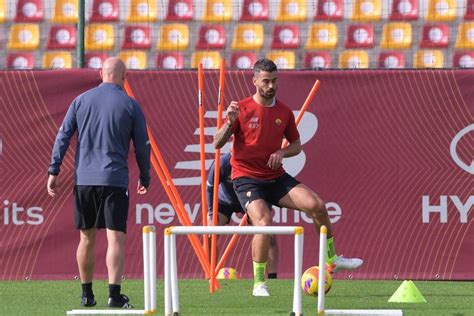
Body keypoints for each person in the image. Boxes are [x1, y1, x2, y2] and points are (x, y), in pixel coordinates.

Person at [213, 58, 363, 297]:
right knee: (263, 222)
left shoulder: (283, 111)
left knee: (318, 206)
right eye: (265, 81)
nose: (271, 86)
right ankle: (259, 283)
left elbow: (296, 145)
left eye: (274, 80)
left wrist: (282, 151)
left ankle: (332, 259)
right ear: (254, 82)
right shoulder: (240, 109)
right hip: (247, 178)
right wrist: (230, 124)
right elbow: (216, 143)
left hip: (276, 177)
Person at [47, 57, 150, 308]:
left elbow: (63, 137)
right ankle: (114, 295)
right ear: (125, 76)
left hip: (84, 180)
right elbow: (142, 147)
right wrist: (145, 176)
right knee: (116, 239)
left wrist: (54, 169)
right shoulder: (130, 105)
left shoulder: (80, 101)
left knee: (86, 238)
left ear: (101, 73)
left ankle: (86, 293)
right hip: (114, 180)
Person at [206, 152, 279, 279]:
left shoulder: (257, 161)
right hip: (226, 201)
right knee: (209, 234)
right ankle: (209, 275)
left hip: (251, 199)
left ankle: (272, 279)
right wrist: (211, 214)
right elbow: (210, 187)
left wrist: (265, 208)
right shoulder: (223, 162)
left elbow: (268, 187)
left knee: (268, 234)